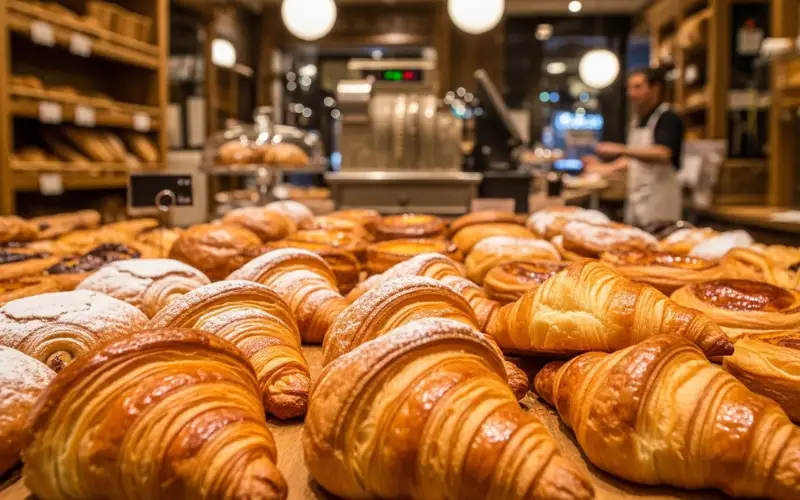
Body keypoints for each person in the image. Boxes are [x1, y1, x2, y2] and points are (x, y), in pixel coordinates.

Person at [587, 67, 685, 227]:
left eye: (638, 87)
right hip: (637, 199)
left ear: (655, 88)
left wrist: (619, 149)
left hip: (659, 201)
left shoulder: (668, 117)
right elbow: (633, 159)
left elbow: (663, 153)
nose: (632, 93)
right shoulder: (637, 120)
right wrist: (603, 168)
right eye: (630, 88)